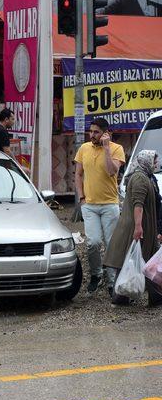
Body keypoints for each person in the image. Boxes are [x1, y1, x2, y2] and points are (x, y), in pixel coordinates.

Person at [74, 118, 126, 293]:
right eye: (91, 131)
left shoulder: (116, 149)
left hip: (110, 204)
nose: (92, 135)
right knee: (93, 243)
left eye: (96, 132)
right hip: (89, 204)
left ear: (106, 133)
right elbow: (78, 174)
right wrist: (81, 198)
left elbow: (112, 171)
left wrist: (106, 148)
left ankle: (112, 282)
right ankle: (96, 274)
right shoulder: (83, 148)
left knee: (111, 243)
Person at [105, 150, 162, 305]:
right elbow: (138, 205)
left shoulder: (148, 177)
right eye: (154, 161)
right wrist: (138, 227)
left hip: (145, 227)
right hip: (136, 227)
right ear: (147, 161)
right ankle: (121, 296)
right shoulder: (140, 178)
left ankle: (153, 297)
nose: (156, 164)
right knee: (134, 260)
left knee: (144, 261)